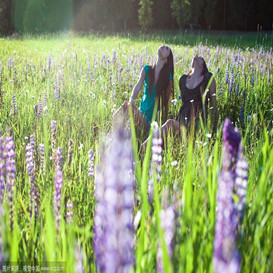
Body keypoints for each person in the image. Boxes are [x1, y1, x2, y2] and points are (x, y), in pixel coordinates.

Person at [141, 54, 217, 148]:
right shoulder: (183, 80)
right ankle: (146, 150)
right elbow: (184, 103)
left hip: (197, 122)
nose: (196, 56)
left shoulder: (208, 78)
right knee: (169, 128)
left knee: (169, 123)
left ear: (203, 66)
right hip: (182, 120)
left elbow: (214, 104)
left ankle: (142, 149)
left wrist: (212, 128)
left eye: (200, 58)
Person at [110, 45, 174, 134]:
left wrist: (163, 122)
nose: (163, 46)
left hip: (150, 122)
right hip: (140, 113)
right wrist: (132, 98)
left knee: (128, 107)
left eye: (167, 48)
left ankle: (112, 134)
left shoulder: (167, 78)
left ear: (167, 59)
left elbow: (166, 102)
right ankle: (111, 131)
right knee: (126, 104)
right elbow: (138, 86)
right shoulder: (147, 69)